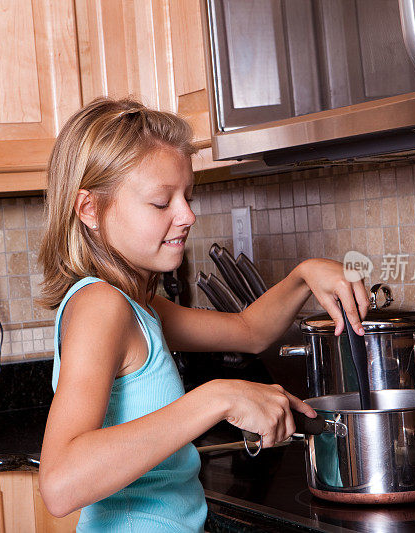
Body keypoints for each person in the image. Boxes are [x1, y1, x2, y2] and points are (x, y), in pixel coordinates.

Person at [37, 97, 369, 532]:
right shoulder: (102, 306)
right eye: (161, 203)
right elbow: (61, 483)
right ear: (90, 210)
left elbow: (249, 331)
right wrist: (217, 398)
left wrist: (303, 277)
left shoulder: (136, 305)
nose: (188, 215)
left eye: (188, 196)